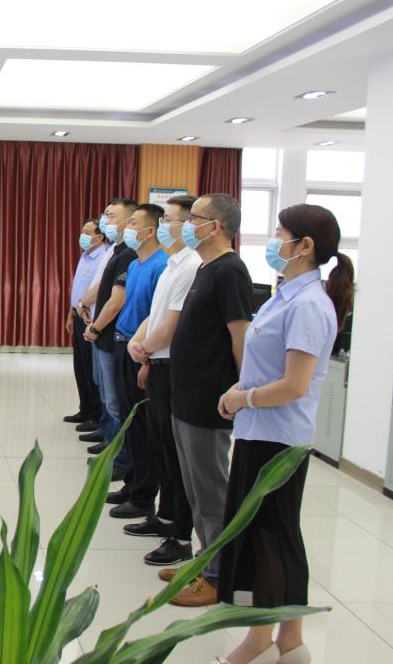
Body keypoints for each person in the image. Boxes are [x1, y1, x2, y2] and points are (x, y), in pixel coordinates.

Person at [211, 204, 353, 664]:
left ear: (305, 246)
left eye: (279, 233)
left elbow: (294, 385)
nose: (273, 242)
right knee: (272, 535)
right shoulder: (285, 294)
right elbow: (266, 364)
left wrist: (243, 399)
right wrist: (239, 392)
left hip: (278, 439)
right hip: (260, 432)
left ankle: (264, 640)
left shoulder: (309, 304)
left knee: (272, 538)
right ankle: (288, 641)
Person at [166, 193, 252, 607]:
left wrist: (243, 393)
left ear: (214, 226)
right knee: (195, 490)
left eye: (193, 219)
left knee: (212, 493)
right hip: (186, 396)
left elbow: (240, 336)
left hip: (208, 400)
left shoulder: (231, 271)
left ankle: (219, 575)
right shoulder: (206, 267)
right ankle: (204, 561)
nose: (186, 225)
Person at [125, 196, 201, 567]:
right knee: (161, 449)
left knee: (176, 455)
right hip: (156, 361)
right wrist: (140, 345)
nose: (165, 226)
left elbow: (172, 325)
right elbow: (154, 316)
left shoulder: (192, 266)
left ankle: (181, 535)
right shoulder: (173, 263)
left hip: (172, 366)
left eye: (171, 220)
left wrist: (144, 348)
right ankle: (165, 516)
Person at [107, 204, 168, 519]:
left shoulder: (162, 265)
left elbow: (157, 318)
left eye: (133, 223)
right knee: (128, 423)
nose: (127, 228)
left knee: (143, 426)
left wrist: (148, 360)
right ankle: (131, 484)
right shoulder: (134, 264)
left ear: (150, 230)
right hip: (123, 344)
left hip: (142, 352)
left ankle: (143, 495)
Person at [80, 199, 138, 479]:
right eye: (105, 215)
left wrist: (95, 327)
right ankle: (111, 445)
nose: (106, 221)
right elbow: (101, 288)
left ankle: (121, 457)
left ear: (129, 222)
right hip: (103, 332)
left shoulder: (128, 255)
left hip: (112, 333)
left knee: (115, 400)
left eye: (112, 216)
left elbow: (117, 301)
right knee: (107, 394)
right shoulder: (115, 251)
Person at [64, 218, 110, 430]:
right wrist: (71, 313)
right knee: (80, 366)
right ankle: (84, 409)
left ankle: (95, 414)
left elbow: (98, 290)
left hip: (90, 318)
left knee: (92, 369)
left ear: (99, 237)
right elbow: (78, 288)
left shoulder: (103, 257)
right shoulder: (85, 256)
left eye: (87, 232)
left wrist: (83, 309)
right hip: (78, 315)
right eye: (82, 231)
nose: (82, 235)